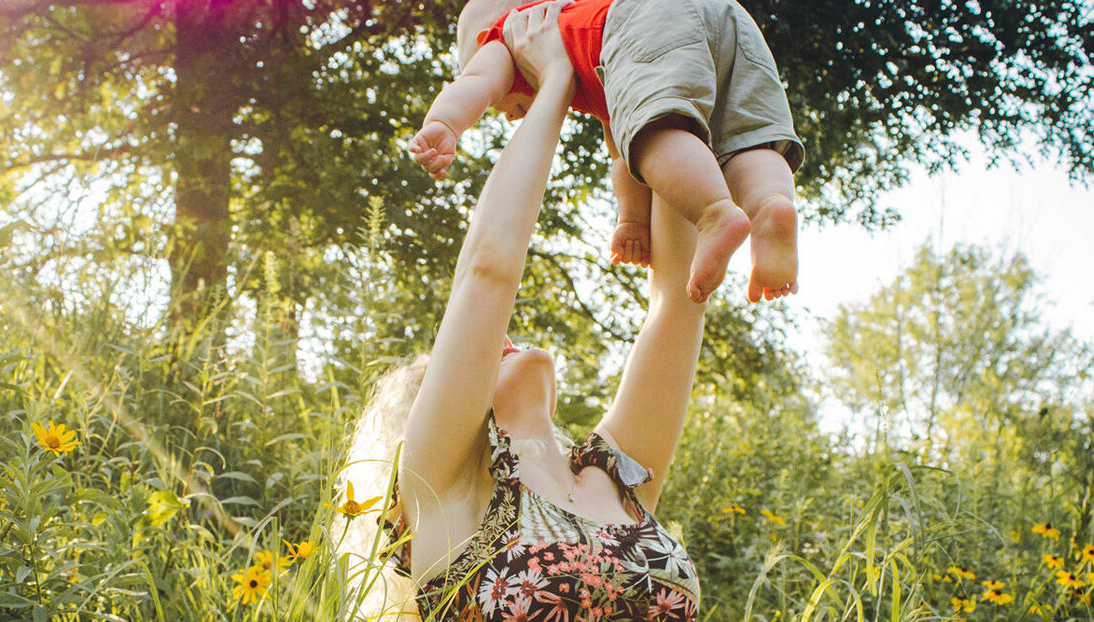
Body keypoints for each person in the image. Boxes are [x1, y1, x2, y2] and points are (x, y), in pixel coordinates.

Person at [337, 4, 704, 619]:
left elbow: (679, 303)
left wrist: (655, 92)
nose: (498, 337)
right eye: (469, 359)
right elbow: (490, 268)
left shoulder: (613, 478)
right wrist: (556, 78)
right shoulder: (444, 486)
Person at [408, 0, 804, 305]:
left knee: (656, 134)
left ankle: (715, 213)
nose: (511, 117)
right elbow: (623, 156)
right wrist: (632, 221)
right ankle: (771, 205)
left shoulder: (510, 35)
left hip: (649, 19)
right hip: (729, 17)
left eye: (504, 108)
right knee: (746, 137)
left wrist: (444, 124)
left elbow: (478, 81)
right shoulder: (598, 48)